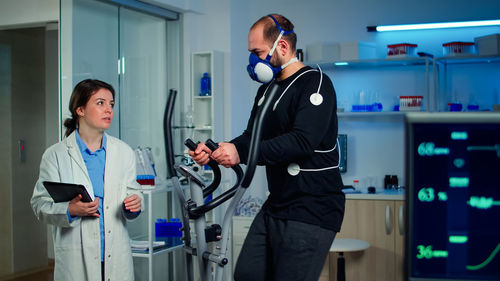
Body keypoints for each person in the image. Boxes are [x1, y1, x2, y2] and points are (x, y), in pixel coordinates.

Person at [189, 14, 345, 281]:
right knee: (247, 274)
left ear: (282, 47)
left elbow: (302, 142)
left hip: (312, 205)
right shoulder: (267, 90)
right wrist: (218, 151)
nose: (253, 61)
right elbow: (252, 137)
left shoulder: (315, 83)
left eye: (257, 52)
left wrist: (241, 153)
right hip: (278, 203)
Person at [31, 79, 142, 281]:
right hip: (75, 258)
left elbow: (132, 194)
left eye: (111, 104)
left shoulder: (123, 152)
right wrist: (69, 210)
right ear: (80, 110)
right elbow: (39, 204)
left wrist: (134, 203)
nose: (108, 110)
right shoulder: (56, 155)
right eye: (100, 103)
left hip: (115, 254)